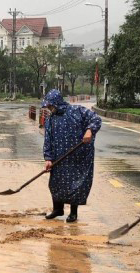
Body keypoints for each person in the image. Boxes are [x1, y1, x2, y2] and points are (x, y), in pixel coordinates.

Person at [42, 89, 102, 222]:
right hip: (59, 158)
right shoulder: (50, 119)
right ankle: (58, 209)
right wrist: (48, 158)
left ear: (57, 103)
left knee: (75, 185)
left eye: (50, 105)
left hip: (77, 156)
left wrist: (89, 130)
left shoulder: (77, 111)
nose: (49, 108)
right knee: (55, 184)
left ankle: (73, 213)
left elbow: (96, 118)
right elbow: (48, 140)